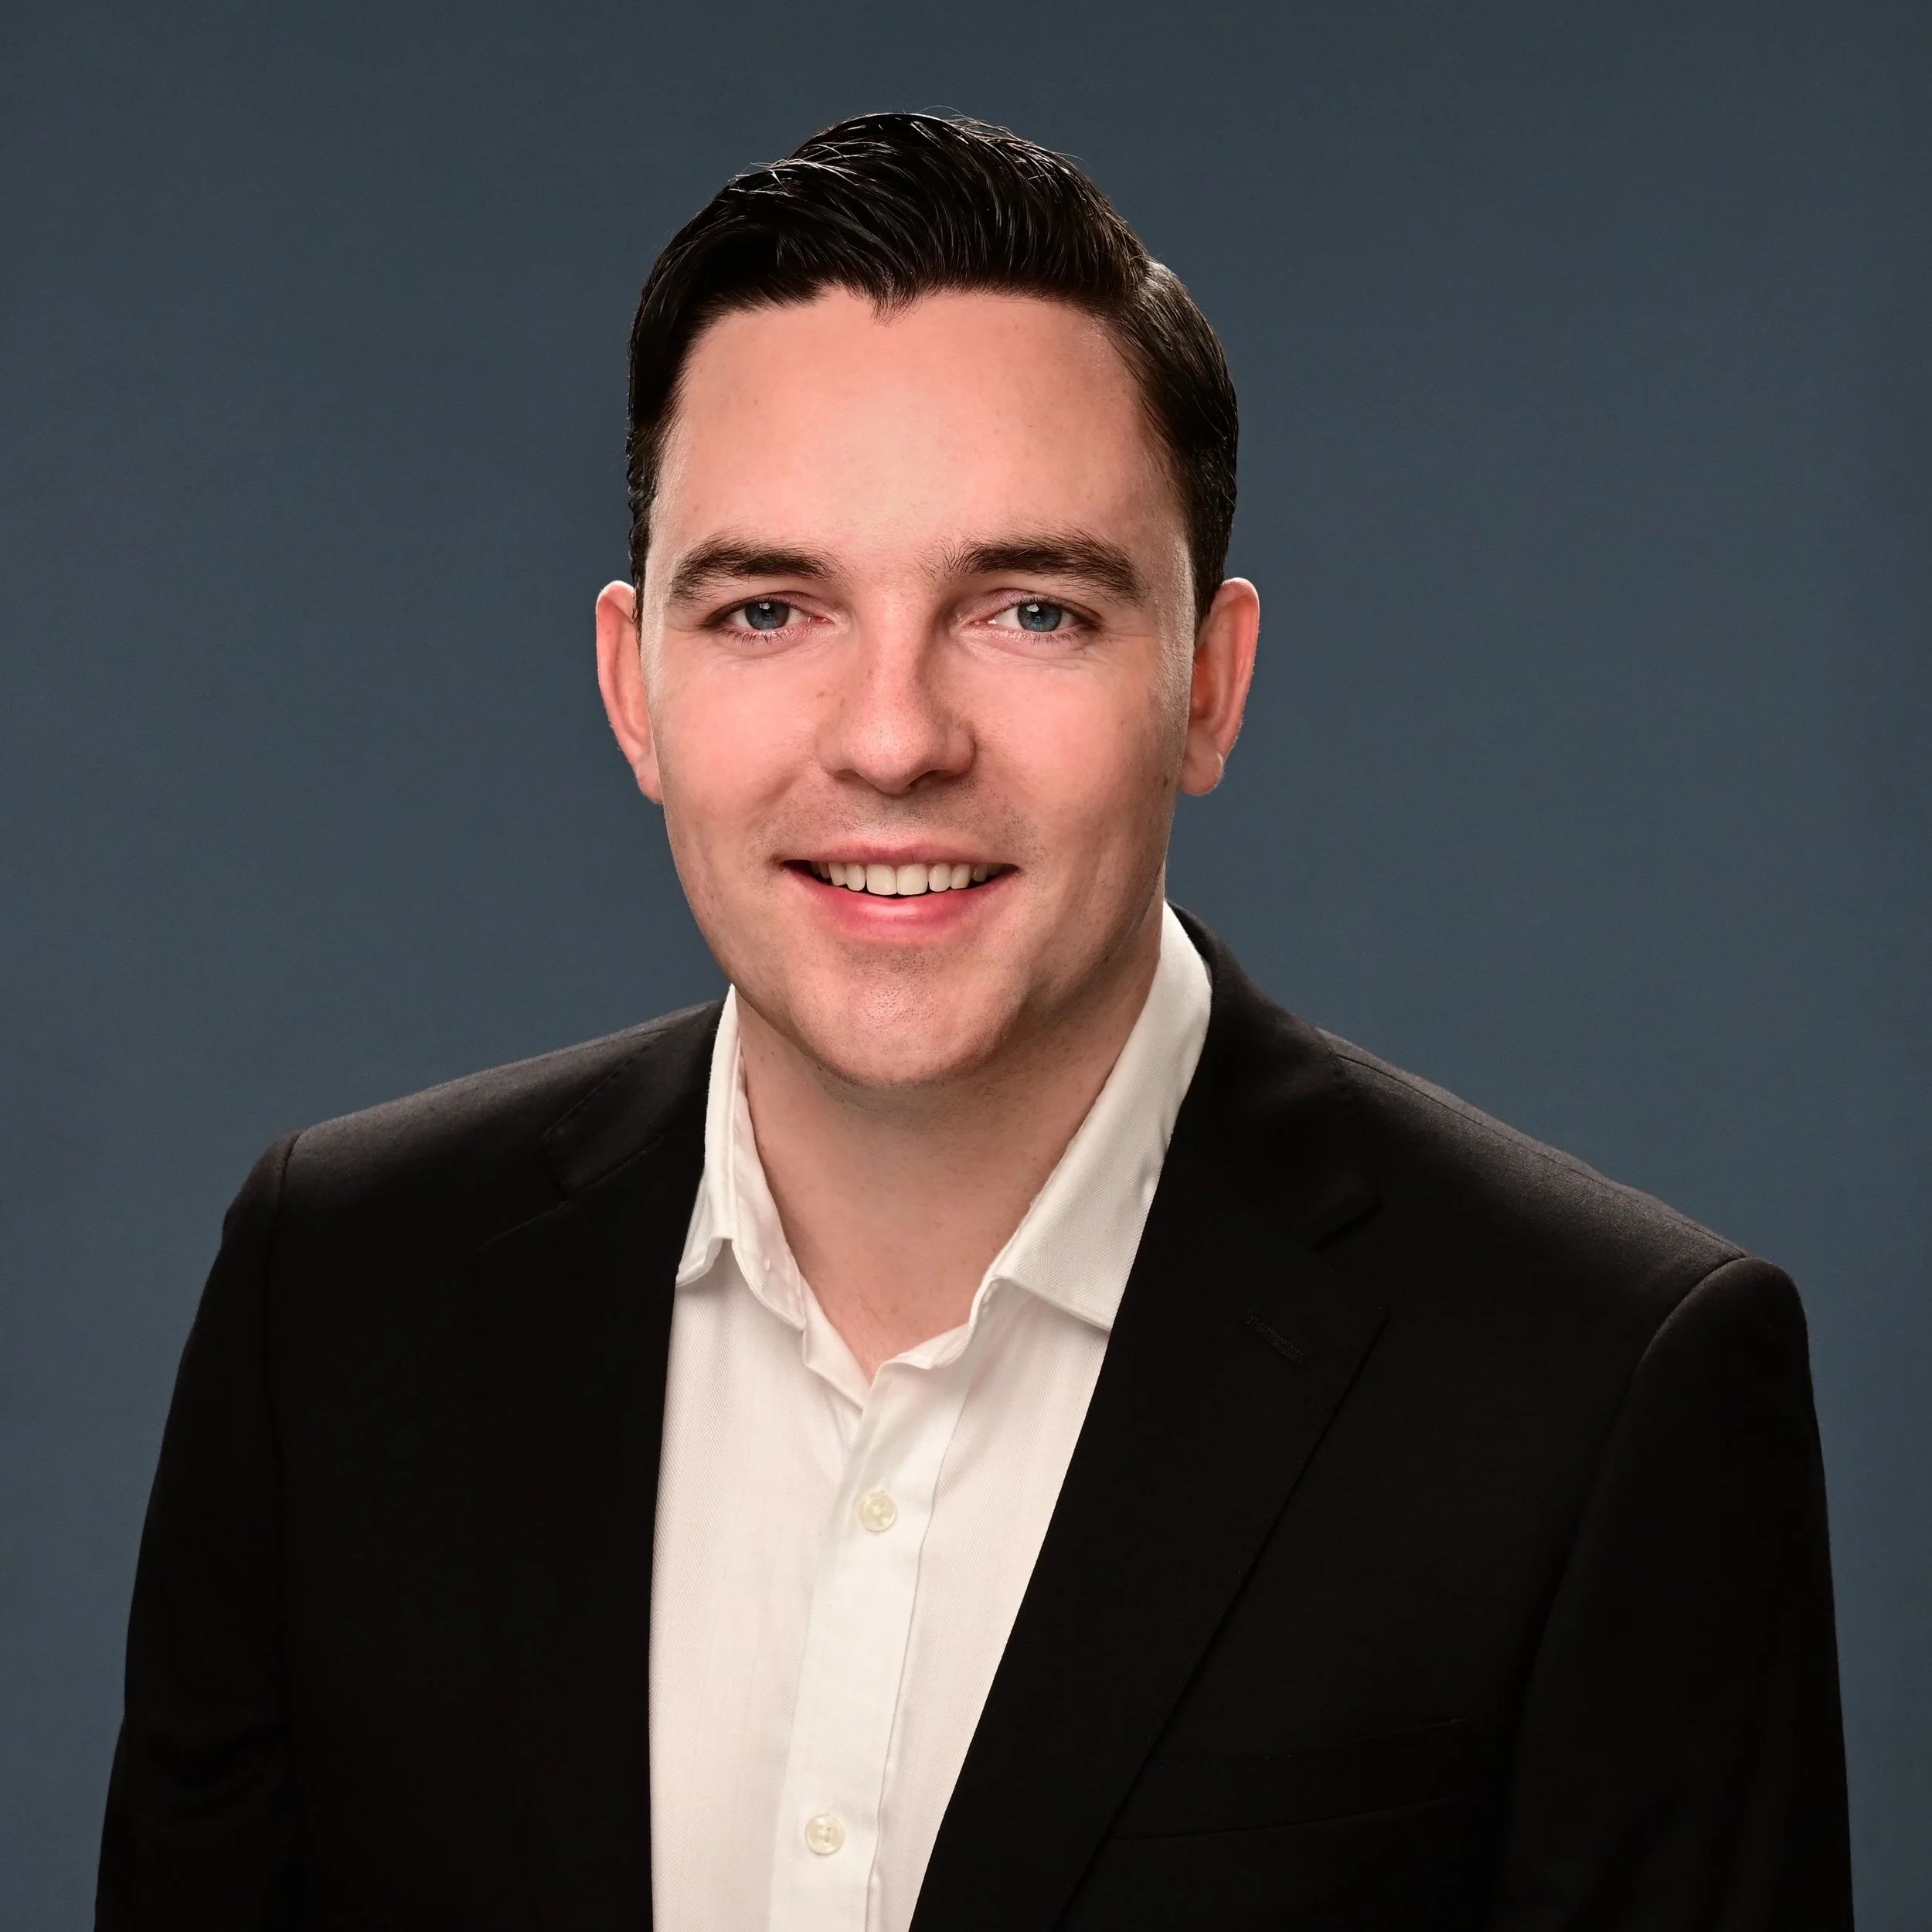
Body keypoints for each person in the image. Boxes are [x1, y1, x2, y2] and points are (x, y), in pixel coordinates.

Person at [98, 113, 1851, 1932]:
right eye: (768, 609)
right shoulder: (336, 1293)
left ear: (1206, 683)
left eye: (1028, 610)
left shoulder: (1597, 1387)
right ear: (634, 688)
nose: (892, 738)